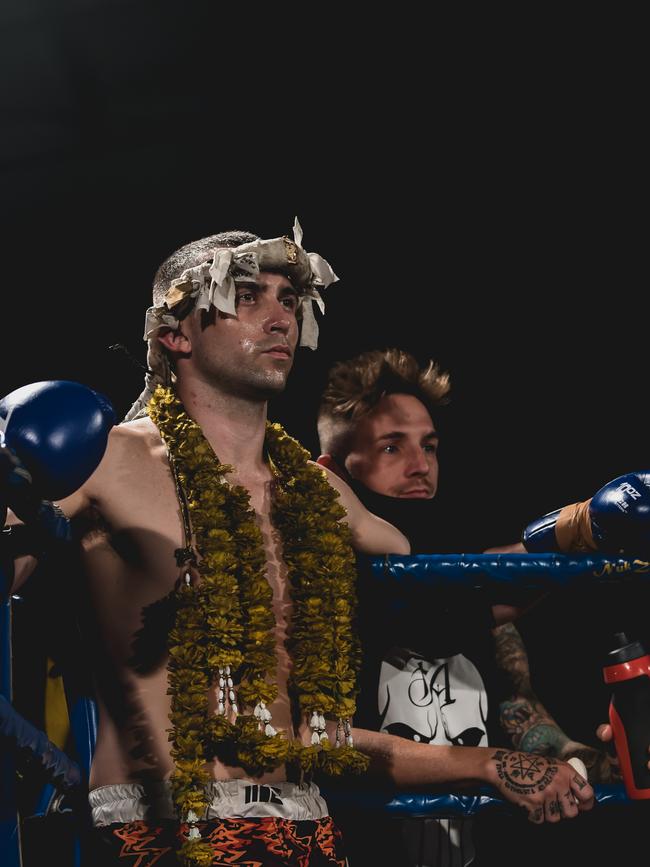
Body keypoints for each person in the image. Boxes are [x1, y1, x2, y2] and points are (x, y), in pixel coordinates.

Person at [3, 224, 594, 867]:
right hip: (163, 834)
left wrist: (580, 526)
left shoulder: (318, 494)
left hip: (308, 834)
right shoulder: (107, 459)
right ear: (175, 334)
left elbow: (448, 587)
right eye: (248, 295)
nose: (279, 315)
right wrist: (13, 473)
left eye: (290, 299)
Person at [317, 348, 610, 866]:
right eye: (392, 447)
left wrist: (594, 766)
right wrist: (576, 529)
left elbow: (524, 717)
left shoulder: (458, 583)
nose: (420, 465)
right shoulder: (313, 587)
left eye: (429, 446)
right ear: (332, 471)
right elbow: (309, 740)